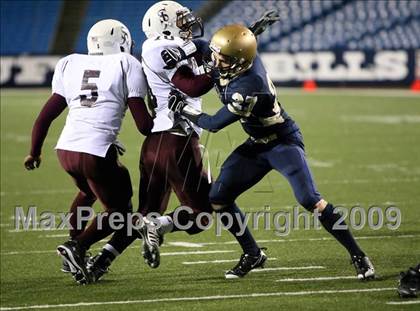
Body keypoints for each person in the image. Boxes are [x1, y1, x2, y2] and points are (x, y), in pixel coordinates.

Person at [166, 24, 376, 280]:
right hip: (256, 143)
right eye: (217, 55)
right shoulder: (235, 59)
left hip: (282, 143)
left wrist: (184, 109)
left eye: (224, 59)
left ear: (240, 61)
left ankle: (358, 255)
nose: (216, 61)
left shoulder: (250, 85)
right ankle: (252, 254)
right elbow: (206, 45)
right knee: (219, 197)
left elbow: (213, 124)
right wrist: (183, 51)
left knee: (310, 199)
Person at [88, 1, 266, 280]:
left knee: (144, 213)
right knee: (205, 210)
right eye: (181, 21)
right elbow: (192, 85)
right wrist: (217, 69)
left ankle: (101, 261)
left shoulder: (171, 47)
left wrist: (245, 37)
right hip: (176, 140)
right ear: (165, 24)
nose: (186, 26)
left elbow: (207, 48)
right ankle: (246, 250)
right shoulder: (157, 48)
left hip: (156, 145)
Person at [24, 19, 153, 284]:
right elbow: (143, 125)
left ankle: (74, 248)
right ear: (122, 42)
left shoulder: (70, 62)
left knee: (87, 192)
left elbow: (44, 118)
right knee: (121, 213)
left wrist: (34, 152)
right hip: (96, 151)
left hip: (66, 150)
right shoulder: (127, 63)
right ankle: (78, 247)